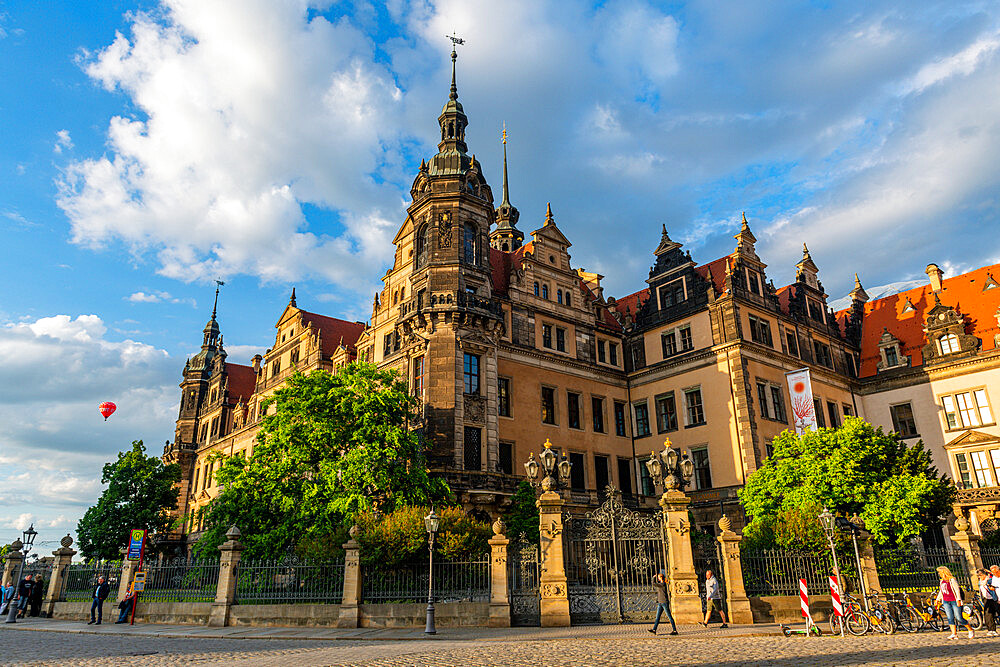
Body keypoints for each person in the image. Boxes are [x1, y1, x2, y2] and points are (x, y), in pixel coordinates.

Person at [936, 566, 972, 639]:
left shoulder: (952, 580)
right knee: (950, 617)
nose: (938, 574)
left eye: (939, 572)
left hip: (954, 601)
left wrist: (958, 600)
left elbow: (956, 590)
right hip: (946, 601)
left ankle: (970, 629)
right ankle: (954, 633)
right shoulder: (941, 581)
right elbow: (942, 591)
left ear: (943, 572)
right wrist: (937, 599)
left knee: (959, 617)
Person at [648, 570, 677, 635]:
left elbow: (653, 584)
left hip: (664, 603)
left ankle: (675, 630)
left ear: (660, 578)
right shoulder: (661, 584)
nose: (657, 578)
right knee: (657, 617)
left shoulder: (663, 584)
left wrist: (653, 577)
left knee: (669, 617)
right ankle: (654, 629)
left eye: (658, 577)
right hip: (660, 603)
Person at [978, 567, 999, 637]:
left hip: (993, 599)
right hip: (986, 599)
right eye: (978, 576)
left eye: (980, 575)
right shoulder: (980, 582)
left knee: (995, 613)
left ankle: (992, 630)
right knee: (988, 614)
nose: (979, 577)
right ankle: (991, 630)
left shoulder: (990, 580)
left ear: (984, 575)